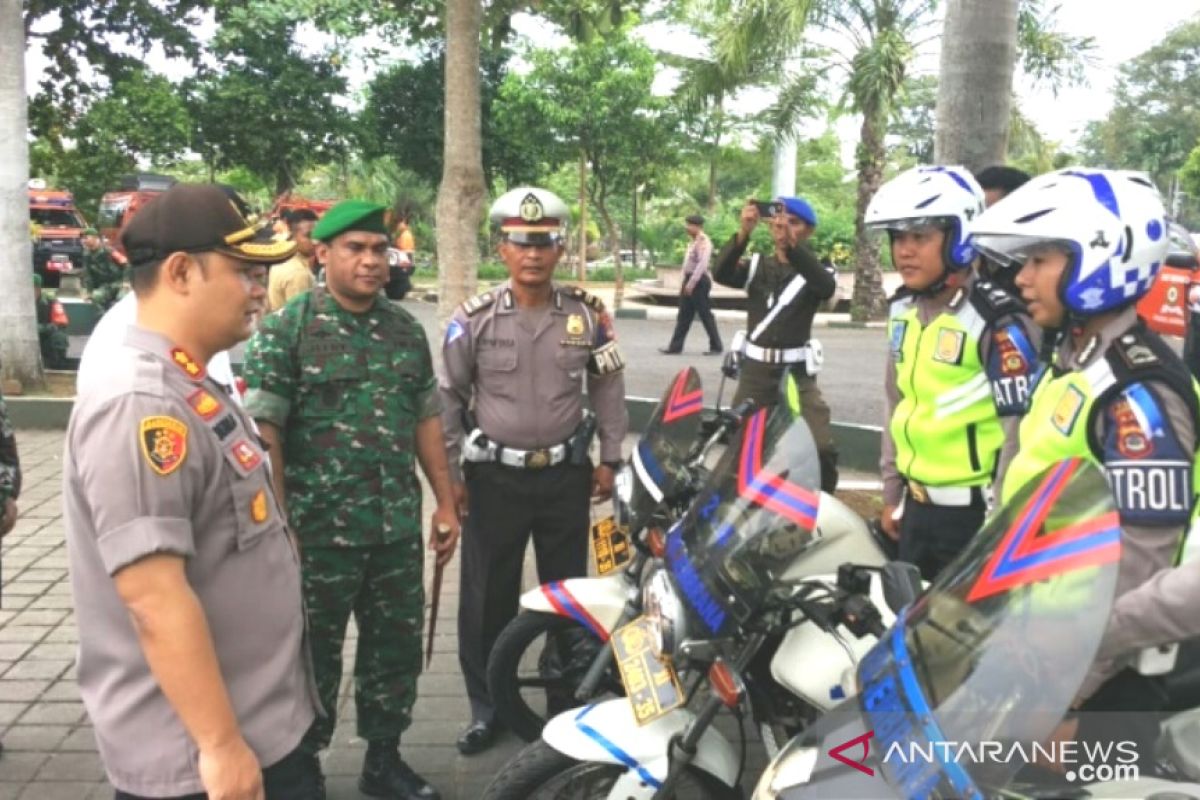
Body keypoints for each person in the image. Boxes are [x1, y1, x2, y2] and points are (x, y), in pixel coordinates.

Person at [62, 183, 323, 799]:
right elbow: (153, 598)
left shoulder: (186, 380)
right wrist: (221, 747)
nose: (259, 289)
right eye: (243, 272)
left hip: (257, 727)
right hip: (200, 761)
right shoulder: (140, 403)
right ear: (181, 272)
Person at [973, 168, 1199, 764]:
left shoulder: (1137, 392)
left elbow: (1137, 566)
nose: (1021, 278)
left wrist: (1065, 691)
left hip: (1095, 684)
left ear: (1102, 260)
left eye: (1040, 260)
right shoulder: (1076, 361)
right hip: (1037, 653)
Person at [244, 199, 457, 800]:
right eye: (355, 249)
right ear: (321, 254)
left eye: (378, 249)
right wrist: (280, 523)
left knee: (394, 650)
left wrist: (444, 502)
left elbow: (425, 420)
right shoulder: (288, 331)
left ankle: (383, 761)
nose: (371, 261)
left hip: (392, 530)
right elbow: (266, 437)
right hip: (317, 537)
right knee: (313, 656)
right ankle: (303, 766)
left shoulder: (403, 329)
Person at [439, 186, 629, 755]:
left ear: (560, 247)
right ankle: (487, 707)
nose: (533, 253)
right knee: (486, 596)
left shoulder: (588, 316)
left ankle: (564, 702)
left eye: (545, 241)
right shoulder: (471, 320)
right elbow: (448, 396)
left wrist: (612, 457)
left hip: (564, 478)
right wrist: (449, 478)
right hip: (494, 480)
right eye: (521, 242)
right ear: (502, 248)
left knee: (567, 594)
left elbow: (609, 385)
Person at [868, 165, 1040, 581]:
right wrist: (892, 493)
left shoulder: (997, 319)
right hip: (915, 510)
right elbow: (897, 403)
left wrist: (998, 527)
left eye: (920, 237)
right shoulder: (902, 311)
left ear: (961, 237)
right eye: (898, 238)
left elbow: (1017, 430)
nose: (905, 251)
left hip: (972, 519)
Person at [713, 196, 839, 492]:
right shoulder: (758, 266)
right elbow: (720, 273)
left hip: (796, 376)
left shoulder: (816, 270)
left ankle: (822, 509)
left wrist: (792, 247)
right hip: (756, 374)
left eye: (794, 223)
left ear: (809, 231)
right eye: (780, 222)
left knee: (819, 446)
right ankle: (737, 514)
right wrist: (744, 232)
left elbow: (825, 288)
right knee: (740, 448)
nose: (784, 228)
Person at [660, 214, 723, 355]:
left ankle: (716, 346)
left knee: (705, 314)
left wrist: (691, 284)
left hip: (698, 282)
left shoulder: (704, 242)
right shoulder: (693, 242)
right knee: (684, 315)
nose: (687, 228)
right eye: (687, 224)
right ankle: (675, 347)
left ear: (698, 227)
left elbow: (702, 265)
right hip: (690, 280)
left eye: (690, 225)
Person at [975, 165, 1033, 293]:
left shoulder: (1037, 274)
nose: (978, 224)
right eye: (976, 214)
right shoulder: (966, 265)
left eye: (990, 214)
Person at [267, 208, 317, 312]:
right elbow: (299, 320)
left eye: (318, 235)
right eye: (308, 236)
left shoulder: (283, 258)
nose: (315, 241)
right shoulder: (298, 274)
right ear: (293, 235)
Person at [80, 226, 128, 311]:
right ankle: (104, 318)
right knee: (95, 297)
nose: (84, 240)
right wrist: (89, 292)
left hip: (119, 284)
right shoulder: (87, 255)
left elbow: (126, 264)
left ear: (95, 237)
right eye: (83, 238)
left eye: (86, 237)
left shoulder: (108, 250)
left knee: (122, 299)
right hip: (105, 286)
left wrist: (126, 281)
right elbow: (88, 275)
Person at [33, 274, 69, 369]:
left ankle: (56, 367)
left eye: (34, 288)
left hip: (44, 335)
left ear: (39, 289)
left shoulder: (50, 301)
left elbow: (60, 323)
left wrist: (40, 328)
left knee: (59, 337)